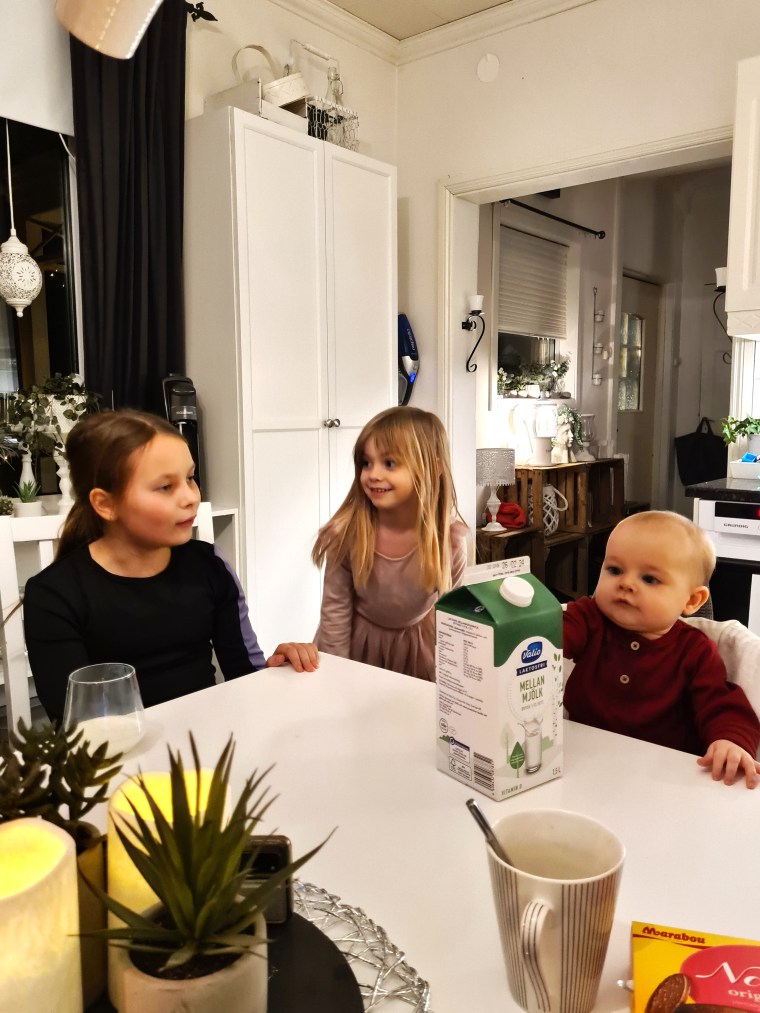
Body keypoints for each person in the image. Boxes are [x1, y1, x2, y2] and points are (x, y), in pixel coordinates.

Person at [24, 410, 318, 721]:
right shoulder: (54, 595)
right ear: (106, 504)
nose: (190, 497)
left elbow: (244, 673)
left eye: (190, 478)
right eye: (165, 487)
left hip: (207, 739)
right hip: (119, 748)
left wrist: (275, 669)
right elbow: (77, 722)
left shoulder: (210, 565)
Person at [563, 510, 760, 788]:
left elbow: (721, 705)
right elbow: (545, 638)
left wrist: (730, 741)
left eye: (649, 579)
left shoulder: (695, 651)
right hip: (583, 763)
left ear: (691, 600)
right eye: (614, 570)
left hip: (664, 778)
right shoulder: (587, 619)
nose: (626, 583)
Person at [312, 406, 469, 681]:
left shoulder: (450, 541)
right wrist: (336, 679)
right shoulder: (347, 535)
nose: (372, 474)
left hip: (419, 653)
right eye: (366, 463)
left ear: (433, 468)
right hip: (356, 650)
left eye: (389, 463)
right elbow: (334, 615)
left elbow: (451, 620)